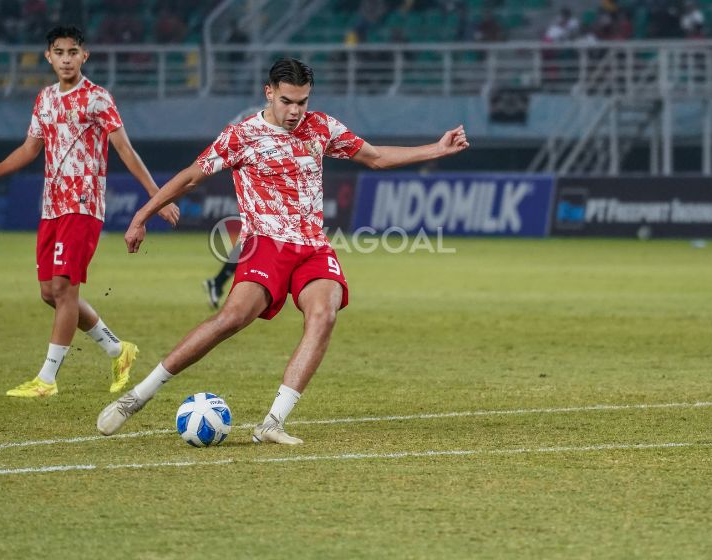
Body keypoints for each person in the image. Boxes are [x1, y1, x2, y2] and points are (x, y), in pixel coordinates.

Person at [97, 58, 469, 443]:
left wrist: (436, 150)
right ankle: (137, 397)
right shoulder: (242, 136)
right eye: (288, 101)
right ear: (269, 92)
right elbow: (192, 175)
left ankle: (272, 422)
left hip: (312, 246)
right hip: (265, 245)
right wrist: (143, 215)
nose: (295, 111)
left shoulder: (321, 126)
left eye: (302, 102)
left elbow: (374, 157)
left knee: (324, 315)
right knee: (231, 319)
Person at [0, 25, 179, 398]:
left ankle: (46, 380)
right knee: (49, 293)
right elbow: (30, 149)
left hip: (83, 206)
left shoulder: (97, 99)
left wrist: (156, 198)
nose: (66, 58)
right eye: (59, 52)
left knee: (64, 289)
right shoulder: (44, 99)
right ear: (48, 57)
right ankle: (118, 349)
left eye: (73, 51)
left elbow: (125, 150)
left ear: (85, 56)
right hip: (51, 207)